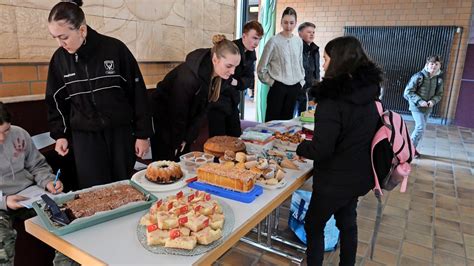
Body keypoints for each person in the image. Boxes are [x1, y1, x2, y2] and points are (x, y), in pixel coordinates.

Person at [45, 0, 153, 189]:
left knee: (123, 187)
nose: (60, 44)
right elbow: (55, 100)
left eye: (64, 37)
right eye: (54, 37)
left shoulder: (115, 49)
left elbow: (138, 94)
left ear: (82, 30)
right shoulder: (59, 60)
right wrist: (60, 135)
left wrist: (143, 135)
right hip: (85, 139)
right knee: (94, 191)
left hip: (119, 133)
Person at [296, 36, 382, 265]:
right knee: (347, 222)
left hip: (334, 180)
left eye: (325, 59)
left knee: (314, 225)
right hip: (359, 175)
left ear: (337, 62)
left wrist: (301, 147)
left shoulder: (332, 101)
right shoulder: (369, 93)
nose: (323, 64)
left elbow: (322, 149)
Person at [150, 35, 241, 161]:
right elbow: (178, 112)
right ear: (215, 59)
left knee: (182, 156)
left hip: (184, 114)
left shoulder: (222, 77)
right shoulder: (189, 77)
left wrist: (188, 138)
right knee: (166, 160)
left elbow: (204, 110)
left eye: (235, 66)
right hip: (165, 114)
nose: (233, 72)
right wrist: (178, 140)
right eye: (229, 66)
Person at [0, 102, 64, 265]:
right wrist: (4, 201)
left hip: (28, 194)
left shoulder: (19, 134)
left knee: (64, 219)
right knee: (2, 239)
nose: (2, 138)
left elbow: (37, 165)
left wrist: (48, 181)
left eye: (6, 131)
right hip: (2, 201)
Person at [207, 21, 264, 137]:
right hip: (218, 98)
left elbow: (249, 79)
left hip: (233, 100)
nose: (256, 43)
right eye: (254, 38)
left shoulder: (251, 54)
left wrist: (236, 82)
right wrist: (234, 82)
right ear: (244, 36)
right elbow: (220, 73)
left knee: (236, 136)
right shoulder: (230, 48)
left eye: (259, 39)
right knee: (218, 139)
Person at [257, 7, 305, 122]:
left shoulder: (298, 41)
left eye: (291, 23)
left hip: (294, 87)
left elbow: (300, 62)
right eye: (285, 22)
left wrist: (301, 81)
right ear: (281, 22)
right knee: (271, 122)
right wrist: (272, 82)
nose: (288, 26)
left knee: (287, 124)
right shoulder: (273, 41)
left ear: (295, 23)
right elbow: (261, 68)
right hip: (278, 87)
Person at [403, 55, 444, 158]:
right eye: (432, 63)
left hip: (428, 108)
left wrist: (433, 101)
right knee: (420, 127)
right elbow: (407, 92)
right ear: (427, 64)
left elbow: (439, 94)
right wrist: (420, 101)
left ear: (439, 66)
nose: (434, 66)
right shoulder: (418, 76)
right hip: (416, 107)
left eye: (436, 64)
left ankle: (411, 148)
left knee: (421, 129)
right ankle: (409, 150)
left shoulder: (438, 80)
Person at [296, 22, 320, 116]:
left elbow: (316, 71)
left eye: (313, 32)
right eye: (309, 32)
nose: (312, 34)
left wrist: (317, 87)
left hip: (310, 90)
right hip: (298, 89)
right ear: (300, 33)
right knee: (295, 116)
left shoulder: (315, 49)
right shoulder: (297, 48)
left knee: (308, 115)